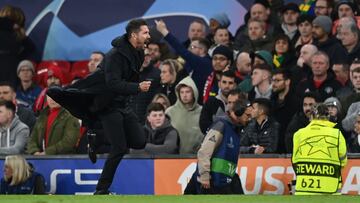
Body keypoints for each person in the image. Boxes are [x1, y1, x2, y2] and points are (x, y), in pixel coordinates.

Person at [184, 99, 252, 194]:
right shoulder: (221, 126)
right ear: (238, 112)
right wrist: (204, 176)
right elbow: (204, 152)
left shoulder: (235, 129)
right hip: (211, 181)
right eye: (247, 115)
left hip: (224, 180)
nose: (250, 118)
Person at [292, 103, 347, 195]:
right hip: (330, 188)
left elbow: (295, 160)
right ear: (328, 116)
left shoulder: (299, 134)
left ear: (311, 116)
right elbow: (343, 161)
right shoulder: (337, 134)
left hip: (304, 189)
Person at [166, 76, 203, 154]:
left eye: (187, 92)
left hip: (196, 158)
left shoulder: (202, 112)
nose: (184, 95)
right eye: (182, 92)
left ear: (194, 93)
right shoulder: (169, 112)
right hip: (172, 158)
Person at [199, 70, 237, 134]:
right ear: (219, 84)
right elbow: (203, 125)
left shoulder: (240, 102)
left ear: (235, 85)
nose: (227, 86)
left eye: (230, 83)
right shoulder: (211, 102)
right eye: (224, 82)